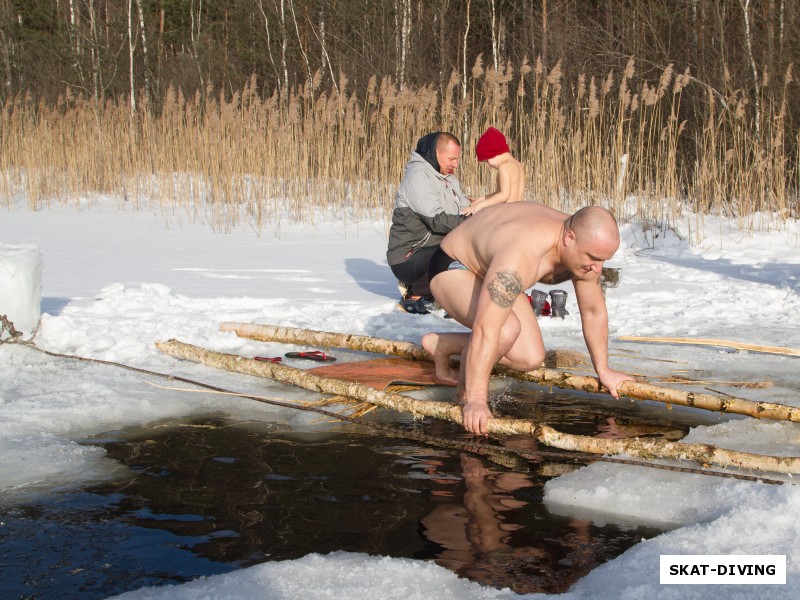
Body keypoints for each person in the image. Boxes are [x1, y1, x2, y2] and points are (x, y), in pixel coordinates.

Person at [422, 203, 634, 436]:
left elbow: (593, 311)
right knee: (505, 330)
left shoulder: (585, 246)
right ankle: (463, 399)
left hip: (491, 269)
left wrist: (603, 370)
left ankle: (445, 345)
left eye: (604, 259)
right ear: (569, 238)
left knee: (530, 357)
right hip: (453, 265)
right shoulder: (522, 255)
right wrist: (476, 400)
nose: (598, 268)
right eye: (593, 258)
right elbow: (486, 328)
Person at [386, 132, 470, 313]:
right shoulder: (418, 177)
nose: (456, 164)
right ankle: (414, 296)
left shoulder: (449, 179)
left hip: (434, 251)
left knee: (471, 251)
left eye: (457, 159)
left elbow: (464, 211)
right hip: (408, 257)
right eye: (452, 159)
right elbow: (437, 221)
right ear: (436, 153)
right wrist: (473, 222)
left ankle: (449, 297)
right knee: (453, 254)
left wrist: (481, 212)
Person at [462, 127, 525, 216]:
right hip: (519, 210)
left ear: (495, 152)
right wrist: (481, 199)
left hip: (508, 213)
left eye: (487, 160)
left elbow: (504, 195)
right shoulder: (517, 165)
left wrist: (480, 206)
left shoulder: (504, 167)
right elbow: (500, 193)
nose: (488, 165)